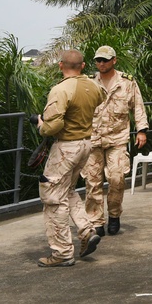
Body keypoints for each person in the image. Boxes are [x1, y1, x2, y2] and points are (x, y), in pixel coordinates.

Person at [35, 49, 106, 267]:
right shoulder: (95, 86)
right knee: (68, 190)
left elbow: (53, 125)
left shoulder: (61, 89)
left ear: (60, 65)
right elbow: (100, 100)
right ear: (83, 66)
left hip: (66, 148)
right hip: (86, 144)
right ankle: (86, 230)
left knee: (53, 198)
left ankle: (62, 253)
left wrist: (41, 125)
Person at [83, 46, 149, 237]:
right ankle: (96, 221)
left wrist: (141, 130)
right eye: (98, 60)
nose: (101, 64)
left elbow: (138, 106)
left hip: (117, 138)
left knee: (117, 178)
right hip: (93, 139)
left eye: (105, 60)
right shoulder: (89, 83)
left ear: (114, 60)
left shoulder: (127, 82)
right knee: (92, 182)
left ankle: (114, 215)